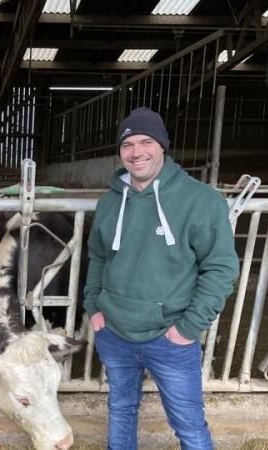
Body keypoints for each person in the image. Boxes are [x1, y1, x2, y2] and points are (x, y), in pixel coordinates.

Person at [83, 107, 239, 450]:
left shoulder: (201, 200)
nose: (136, 152)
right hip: (115, 333)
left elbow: (221, 268)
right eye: (127, 145)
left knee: (189, 427)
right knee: (121, 410)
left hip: (170, 338)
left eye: (146, 142)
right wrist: (94, 307)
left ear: (163, 146)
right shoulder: (110, 203)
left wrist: (187, 328)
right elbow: (98, 256)